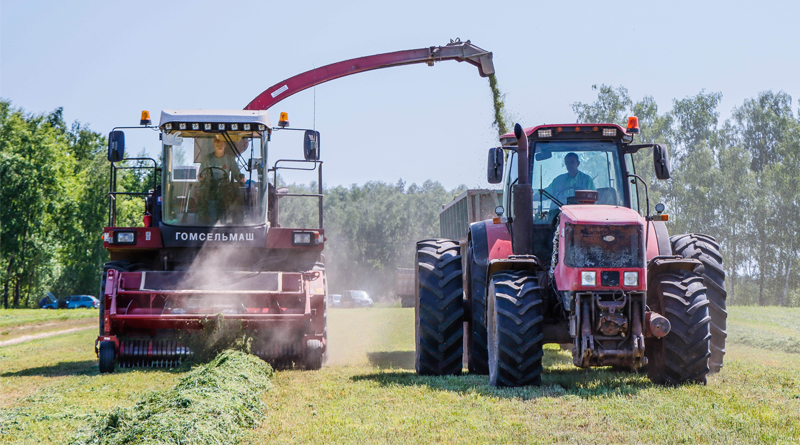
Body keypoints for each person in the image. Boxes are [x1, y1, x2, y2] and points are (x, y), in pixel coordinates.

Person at [196, 136, 245, 223]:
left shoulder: (230, 159)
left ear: (225, 145)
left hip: (225, 189)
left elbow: (236, 174)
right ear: (213, 145)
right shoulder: (207, 159)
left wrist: (241, 178)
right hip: (210, 189)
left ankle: (225, 223)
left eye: (221, 144)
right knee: (208, 202)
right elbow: (202, 175)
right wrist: (200, 177)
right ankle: (210, 223)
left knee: (229, 202)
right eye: (217, 144)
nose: (219, 146)